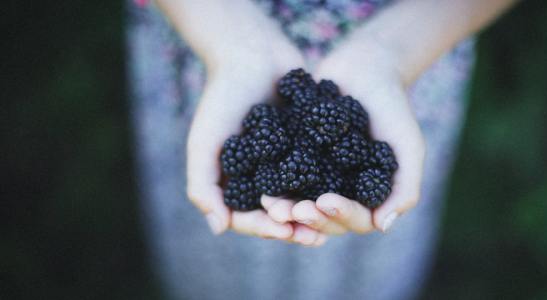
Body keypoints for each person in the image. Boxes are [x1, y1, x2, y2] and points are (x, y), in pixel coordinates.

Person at [128, 0, 516, 299]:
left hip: (414, 52)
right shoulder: (283, 138)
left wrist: (395, 51)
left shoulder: (335, 137)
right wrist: (229, 40)